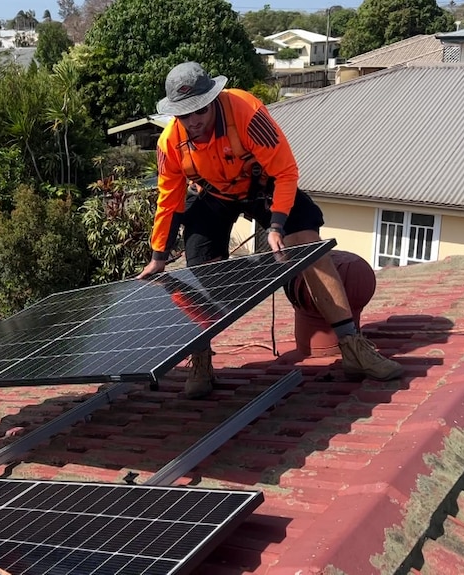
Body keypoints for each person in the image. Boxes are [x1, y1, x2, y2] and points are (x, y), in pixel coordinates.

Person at [138, 61, 402, 399]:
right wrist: (158, 255)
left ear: (213, 100)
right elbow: (169, 202)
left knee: (307, 244)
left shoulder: (246, 112)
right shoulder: (169, 144)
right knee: (198, 266)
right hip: (215, 195)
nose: (195, 120)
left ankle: (352, 348)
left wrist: (276, 224)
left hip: (262, 187)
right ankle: (201, 358)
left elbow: (287, 172)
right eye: (185, 114)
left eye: (201, 110)